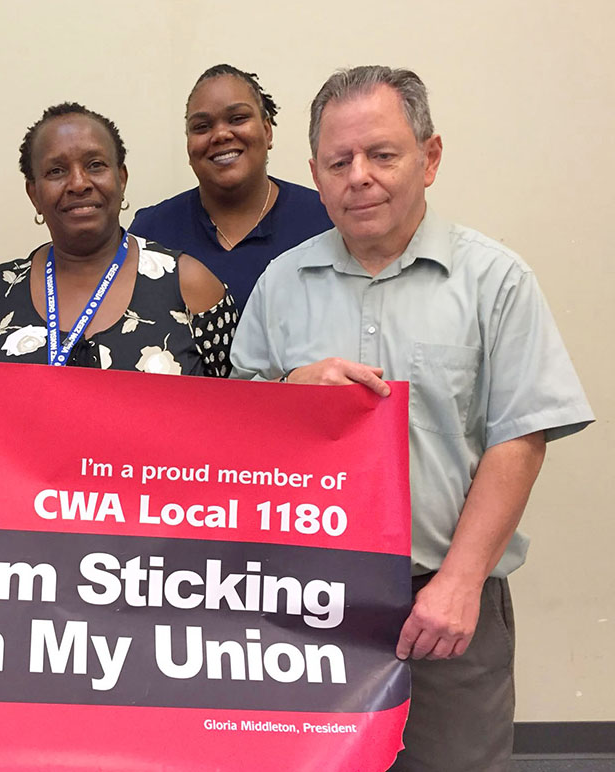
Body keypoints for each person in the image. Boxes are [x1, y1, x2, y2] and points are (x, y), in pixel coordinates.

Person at [230, 65, 593, 770]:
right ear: (315, 174)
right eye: (339, 161)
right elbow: (237, 433)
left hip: (446, 610)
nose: (359, 176)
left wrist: (459, 581)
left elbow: (520, 438)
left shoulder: (495, 280)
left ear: (429, 158)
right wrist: (290, 388)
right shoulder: (280, 285)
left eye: (382, 154)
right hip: (303, 616)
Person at [0, 102, 237, 375]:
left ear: (122, 179)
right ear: (34, 194)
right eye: (56, 171)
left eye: (95, 165)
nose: (78, 183)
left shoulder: (190, 285)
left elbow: (238, 403)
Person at [129, 64, 332, 311]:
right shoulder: (150, 235)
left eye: (237, 119)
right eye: (202, 127)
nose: (221, 134)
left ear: (267, 131)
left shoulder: (326, 220)